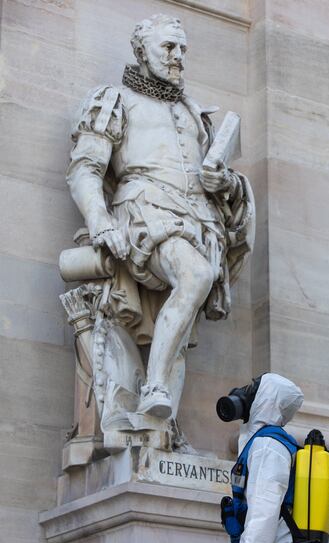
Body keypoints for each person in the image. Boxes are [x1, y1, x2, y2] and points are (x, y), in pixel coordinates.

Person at [66, 14, 254, 420]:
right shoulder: (115, 99)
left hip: (197, 221)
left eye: (183, 49)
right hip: (144, 213)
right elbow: (86, 169)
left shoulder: (192, 113)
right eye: (168, 47)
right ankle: (153, 386)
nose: (178, 57)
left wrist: (223, 181)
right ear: (141, 51)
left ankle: (161, 430)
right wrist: (100, 223)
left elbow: (217, 184)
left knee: (183, 327)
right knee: (196, 276)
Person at [224, 373, 307, 543]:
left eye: (254, 388)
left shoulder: (269, 446)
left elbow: (265, 509)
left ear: (267, 398)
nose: (247, 392)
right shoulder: (259, 443)